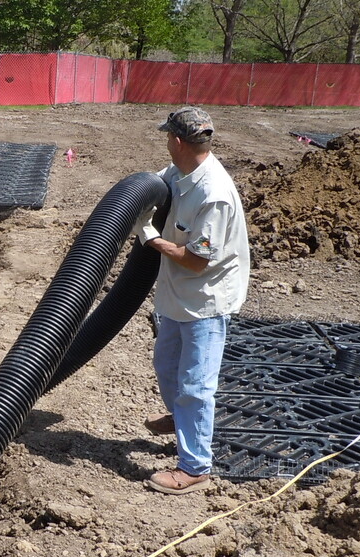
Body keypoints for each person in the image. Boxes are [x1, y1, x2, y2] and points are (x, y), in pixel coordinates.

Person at [135, 106, 250, 495]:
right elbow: (158, 187)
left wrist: (150, 238)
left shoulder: (213, 194)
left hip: (206, 299)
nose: (166, 142)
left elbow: (198, 261)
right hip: (180, 294)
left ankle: (195, 467)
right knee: (166, 364)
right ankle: (182, 418)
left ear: (179, 141)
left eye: (168, 136)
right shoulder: (181, 173)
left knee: (196, 386)